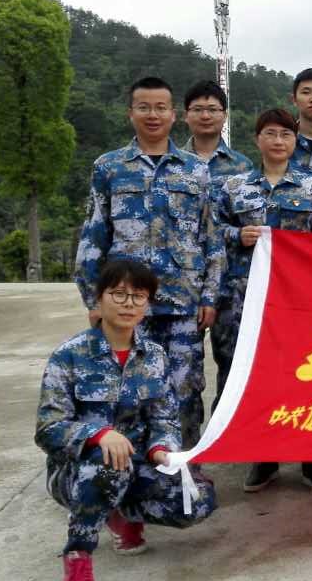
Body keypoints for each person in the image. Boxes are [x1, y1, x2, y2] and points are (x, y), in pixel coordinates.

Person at [37, 259, 217, 581]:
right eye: (118, 294)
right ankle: (78, 556)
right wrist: (98, 434)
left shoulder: (154, 356)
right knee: (108, 464)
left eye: (138, 296)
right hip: (79, 470)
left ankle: (122, 514)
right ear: (99, 299)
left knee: (197, 500)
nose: (128, 304)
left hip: (136, 462)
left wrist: (162, 449)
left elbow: (164, 417)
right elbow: (48, 427)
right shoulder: (69, 356)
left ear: (147, 304)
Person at [73, 76, 223, 451]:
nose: (152, 115)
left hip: (183, 304)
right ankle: (132, 468)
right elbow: (93, 237)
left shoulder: (196, 170)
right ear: (131, 113)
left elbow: (211, 239)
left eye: (160, 108)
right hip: (126, 304)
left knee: (185, 388)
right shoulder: (109, 167)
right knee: (126, 388)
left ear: (173, 115)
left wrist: (209, 296)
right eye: (144, 107)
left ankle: (184, 467)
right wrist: (94, 301)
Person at [213, 107, 312, 495]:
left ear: (294, 141)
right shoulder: (234, 187)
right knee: (257, 376)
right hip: (246, 299)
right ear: (258, 140)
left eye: (285, 134)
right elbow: (210, 231)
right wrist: (237, 236)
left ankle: (311, 458)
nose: (278, 141)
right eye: (270, 133)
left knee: (305, 376)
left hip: (297, 300)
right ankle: (265, 456)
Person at [179, 79, 255, 414]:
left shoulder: (242, 167)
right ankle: (185, 440)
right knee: (182, 370)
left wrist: (236, 235)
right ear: (185, 115)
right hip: (183, 281)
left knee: (233, 362)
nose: (206, 115)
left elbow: (250, 223)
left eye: (213, 109)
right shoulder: (172, 163)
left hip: (230, 283)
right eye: (198, 109)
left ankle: (227, 431)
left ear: (225, 115)